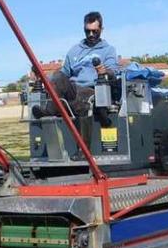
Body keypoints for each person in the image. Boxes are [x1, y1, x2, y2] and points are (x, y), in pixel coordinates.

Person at [33, 11, 119, 155]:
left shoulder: (108, 50)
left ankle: (84, 151)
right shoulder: (74, 50)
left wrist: (105, 71)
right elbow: (63, 75)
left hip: (94, 88)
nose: (91, 35)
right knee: (58, 76)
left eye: (94, 31)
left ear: (101, 30)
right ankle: (48, 111)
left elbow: (113, 71)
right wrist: (42, 77)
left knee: (84, 102)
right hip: (73, 88)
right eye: (87, 31)